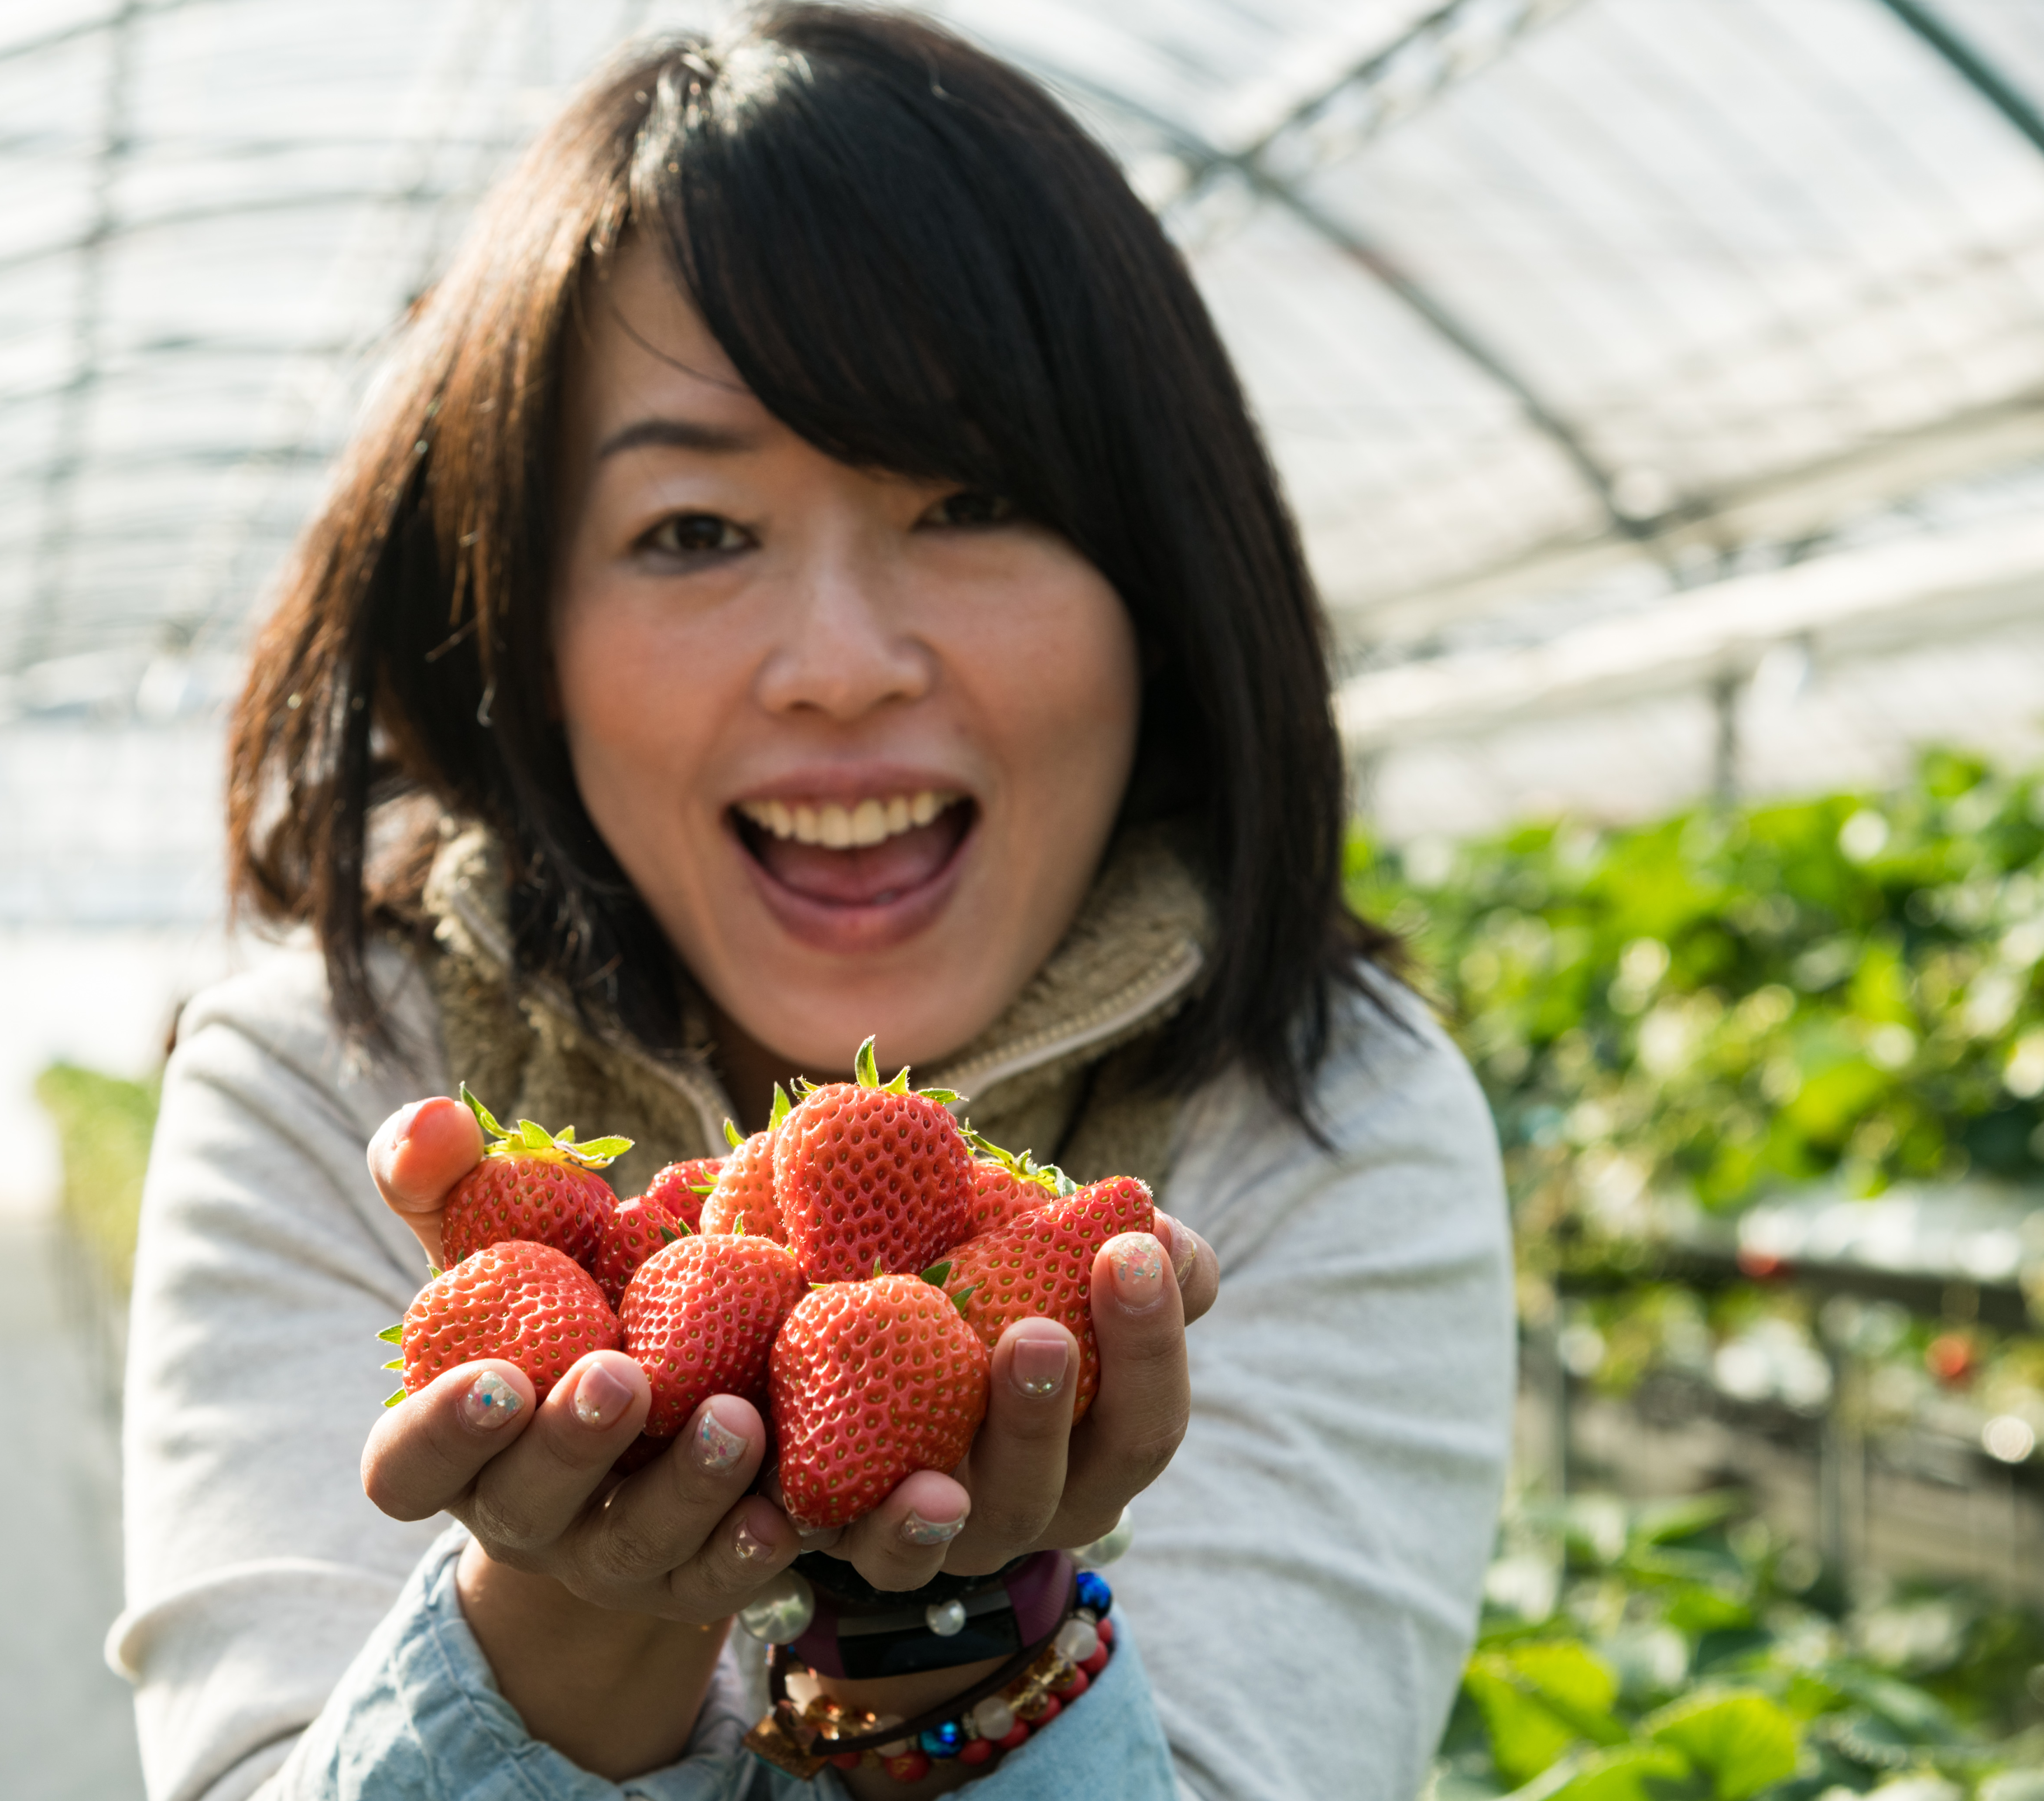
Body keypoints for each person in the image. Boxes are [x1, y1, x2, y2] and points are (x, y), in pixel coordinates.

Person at [106, 8, 1513, 1798]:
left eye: (972, 501)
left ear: (1161, 591)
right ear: (520, 632)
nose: (840, 664)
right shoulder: (334, 1081)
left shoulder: (1322, 1112)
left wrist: (965, 1639)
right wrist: (561, 1622)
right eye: (693, 530)